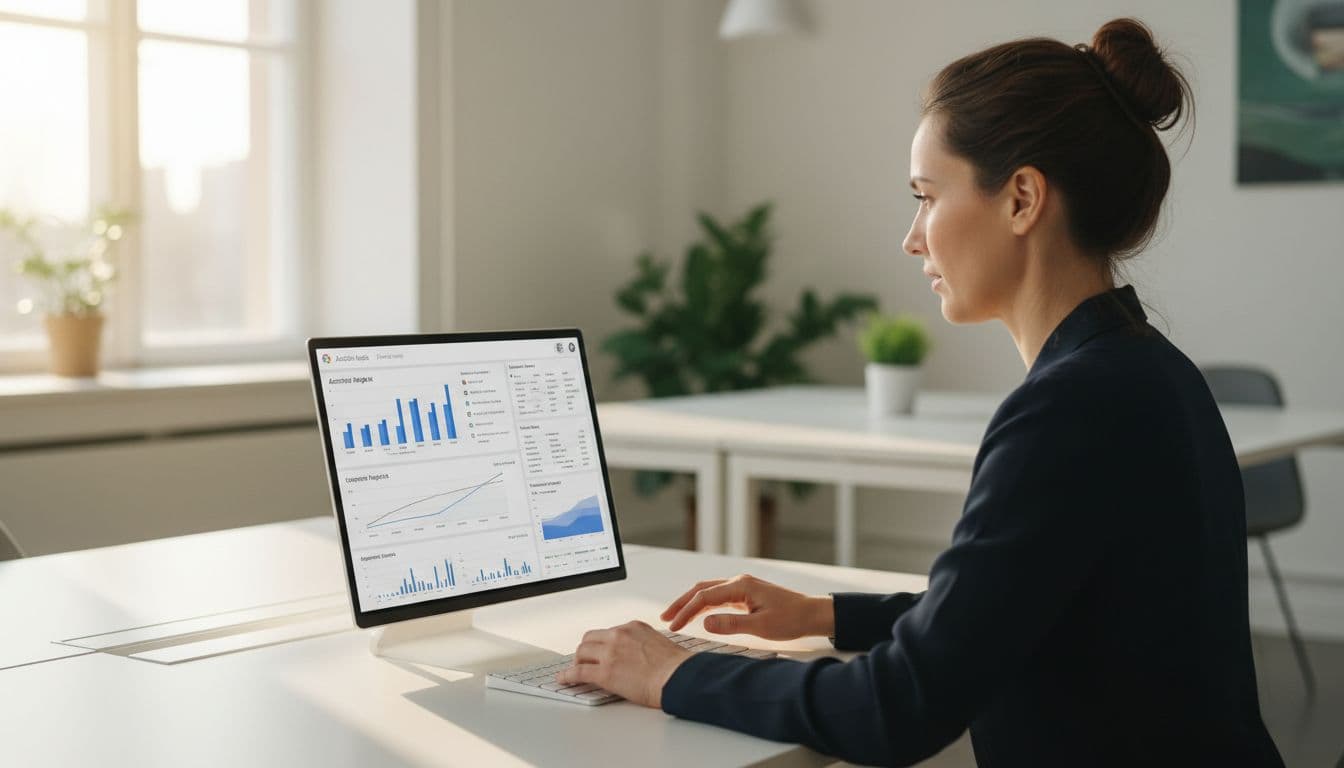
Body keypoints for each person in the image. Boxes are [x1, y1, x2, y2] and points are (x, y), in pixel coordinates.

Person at [555, 18, 1285, 767]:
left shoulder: (1069, 410)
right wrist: (824, 614)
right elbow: (1014, 610)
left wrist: (675, 673)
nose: (913, 237)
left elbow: (896, 708)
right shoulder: (1148, 372)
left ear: (1022, 199)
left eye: (927, 196)